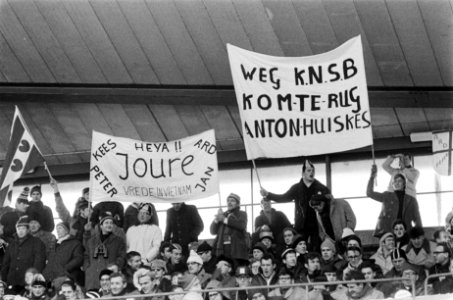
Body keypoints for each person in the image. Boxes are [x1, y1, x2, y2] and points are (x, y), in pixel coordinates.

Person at [260, 160, 330, 250]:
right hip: (301, 225)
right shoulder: (296, 188)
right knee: (299, 247)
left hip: (317, 225)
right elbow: (283, 197)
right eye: (308, 170)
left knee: (316, 247)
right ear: (303, 173)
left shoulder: (322, 188)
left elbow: (329, 203)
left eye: (313, 170)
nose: (311, 173)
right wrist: (268, 194)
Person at [366, 164, 422, 237]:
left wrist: (419, 234)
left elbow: (417, 218)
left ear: (404, 184)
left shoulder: (411, 200)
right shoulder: (386, 196)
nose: (397, 183)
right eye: (395, 181)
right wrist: (372, 177)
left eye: (400, 181)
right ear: (392, 184)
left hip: (405, 233)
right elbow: (370, 193)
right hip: (386, 231)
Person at [83, 211, 126, 290]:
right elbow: (86, 255)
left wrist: (116, 265)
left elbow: (122, 256)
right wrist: (87, 267)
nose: (109, 225)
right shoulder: (92, 241)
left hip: (109, 275)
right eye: (106, 223)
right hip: (92, 277)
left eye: (111, 223)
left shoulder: (119, 241)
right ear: (101, 226)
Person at [1, 216, 46, 287]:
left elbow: (39, 262)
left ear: (28, 230)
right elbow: (6, 263)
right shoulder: (12, 244)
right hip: (11, 280)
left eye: (23, 228)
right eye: (18, 228)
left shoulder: (37, 242)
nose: (20, 231)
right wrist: (4, 279)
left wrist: (33, 278)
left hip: (28, 281)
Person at [210, 193, 249, 264]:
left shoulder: (242, 214)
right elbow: (212, 231)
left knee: (236, 271)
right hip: (223, 250)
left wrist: (224, 220)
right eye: (228, 201)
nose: (229, 202)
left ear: (238, 204)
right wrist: (216, 220)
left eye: (232, 201)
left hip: (236, 250)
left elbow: (241, 225)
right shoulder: (222, 215)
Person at [43, 222, 84, 286]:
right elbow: (49, 259)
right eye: (57, 229)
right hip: (49, 277)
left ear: (66, 230)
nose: (58, 231)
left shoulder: (75, 243)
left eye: (60, 228)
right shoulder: (54, 244)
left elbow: (78, 258)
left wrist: (66, 269)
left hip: (64, 277)